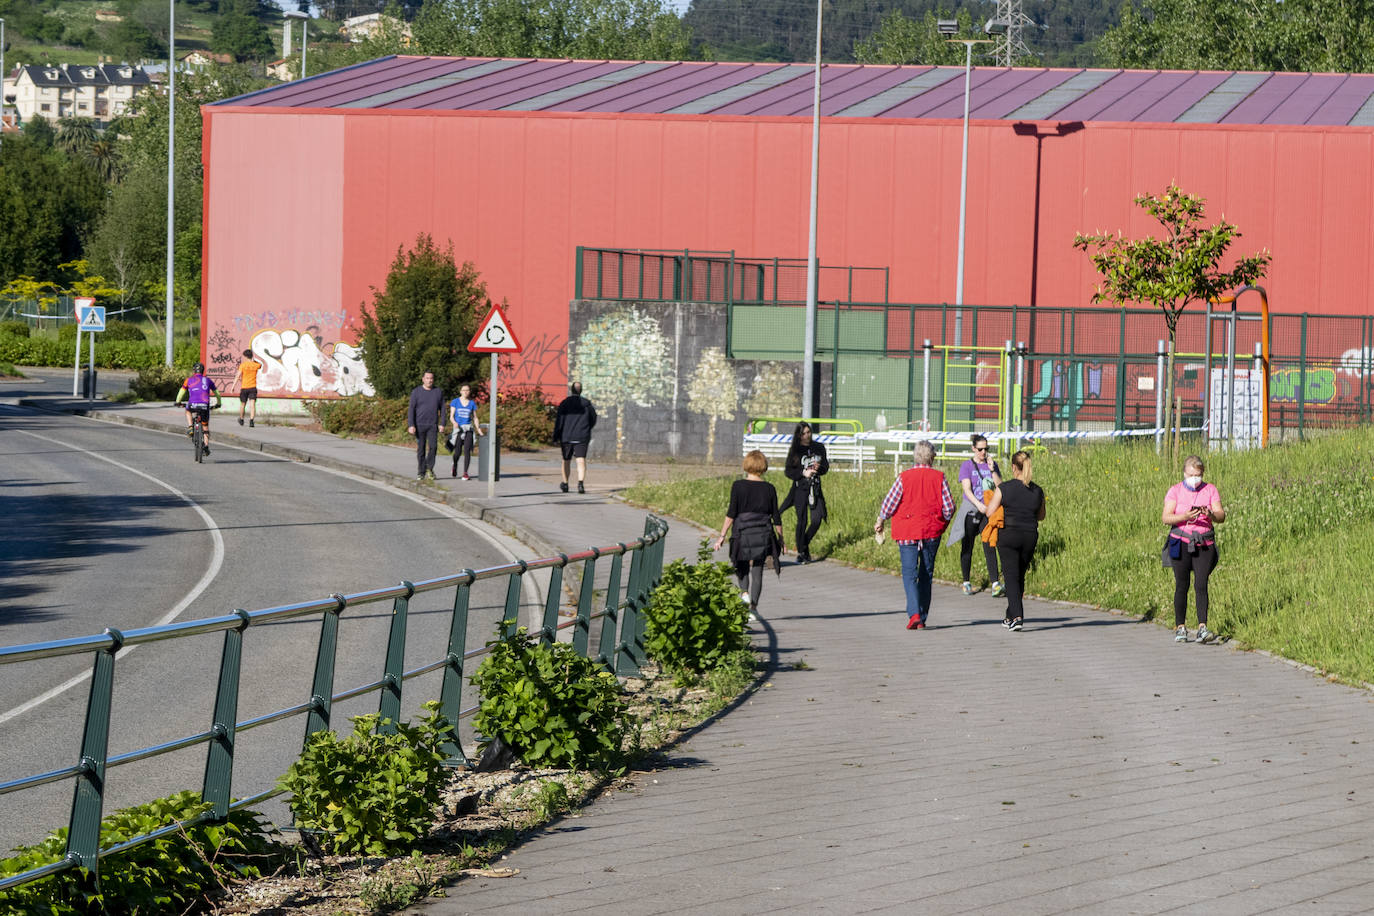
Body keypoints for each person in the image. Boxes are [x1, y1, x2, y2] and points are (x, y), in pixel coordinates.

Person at [874, 440, 955, 630]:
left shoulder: (904, 477)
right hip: (930, 531)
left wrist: (881, 520)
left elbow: (889, 503)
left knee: (909, 574)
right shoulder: (939, 477)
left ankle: (914, 614)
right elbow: (949, 507)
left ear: (915, 456)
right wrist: (941, 522)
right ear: (932, 457)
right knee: (926, 574)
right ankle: (922, 616)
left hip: (907, 531)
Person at [1162, 455, 1226, 644]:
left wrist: (1211, 514)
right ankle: (1180, 627)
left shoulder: (1210, 489)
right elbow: (1166, 517)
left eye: (1198, 475)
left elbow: (1221, 515)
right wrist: (1184, 515)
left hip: (1204, 543)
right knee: (1182, 584)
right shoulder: (1175, 491)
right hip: (1180, 542)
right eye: (1191, 475)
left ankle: (1202, 627)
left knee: (1201, 583)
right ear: (1184, 473)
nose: (1195, 479)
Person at [714, 450, 784, 614]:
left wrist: (722, 536)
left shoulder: (738, 486)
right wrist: (781, 538)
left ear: (746, 465)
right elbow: (776, 516)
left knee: (741, 564)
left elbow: (732, 513)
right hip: (762, 533)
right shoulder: (769, 488)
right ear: (763, 467)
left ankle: (744, 593)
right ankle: (753, 608)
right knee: (758, 570)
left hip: (742, 532)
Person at [984, 450, 1046, 632]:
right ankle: (1010, 615)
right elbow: (1041, 516)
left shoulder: (1004, 488)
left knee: (1011, 576)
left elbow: (989, 512)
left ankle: (1018, 617)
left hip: (1009, 535)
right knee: (1019, 574)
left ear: (1013, 467)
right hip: (1030, 536)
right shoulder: (1037, 490)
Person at [948, 434, 1003, 596]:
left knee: (990, 544)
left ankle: (995, 583)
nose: (983, 452)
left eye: (986, 449)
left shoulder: (992, 464)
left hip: (988, 510)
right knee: (968, 545)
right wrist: (978, 505)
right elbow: (967, 489)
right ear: (973, 448)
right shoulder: (967, 466)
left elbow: (1000, 486)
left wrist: (993, 470)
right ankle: (966, 581)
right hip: (972, 509)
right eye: (980, 449)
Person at [780, 422, 829, 563]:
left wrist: (819, 468)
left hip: (815, 488)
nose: (807, 436)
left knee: (817, 519)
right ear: (799, 435)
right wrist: (803, 473)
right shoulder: (795, 450)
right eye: (804, 433)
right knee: (802, 520)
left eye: (808, 432)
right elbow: (788, 471)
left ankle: (802, 545)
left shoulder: (818, 447)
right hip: (800, 488)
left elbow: (826, 467)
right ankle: (803, 552)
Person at [553, 381, 597, 494]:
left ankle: (565, 483)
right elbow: (593, 419)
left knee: (566, 460)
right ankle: (580, 483)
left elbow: (559, 421)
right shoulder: (587, 404)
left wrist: (556, 436)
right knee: (581, 459)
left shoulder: (564, 404)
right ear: (581, 390)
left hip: (566, 436)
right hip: (582, 436)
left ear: (571, 390)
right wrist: (586, 429)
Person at [175, 362, 222, 455]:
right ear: (202, 371)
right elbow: (217, 394)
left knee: (188, 410)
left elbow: (181, 392)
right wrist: (218, 403)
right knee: (205, 427)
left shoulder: (188, 380)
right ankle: (206, 446)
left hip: (192, 404)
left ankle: (190, 427)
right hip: (205, 405)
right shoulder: (208, 380)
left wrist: (178, 402)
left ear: (194, 371)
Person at [406, 370, 445, 481]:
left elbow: (442, 409)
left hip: (432, 425)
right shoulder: (416, 392)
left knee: (433, 447)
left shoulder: (438, 392)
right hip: (419, 425)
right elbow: (411, 409)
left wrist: (442, 423)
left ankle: (429, 468)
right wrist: (411, 425)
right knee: (421, 449)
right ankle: (421, 472)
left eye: (431, 378)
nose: (429, 380)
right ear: (423, 379)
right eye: (427, 378)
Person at [448, 384, 484, 480]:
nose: (466, 392)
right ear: (460, 391)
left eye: (467, 390)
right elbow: (451, 416)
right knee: (457, 452)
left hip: (468, 429)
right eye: (464, 390)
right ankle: (454, 465)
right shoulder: (455, 402)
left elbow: (475, 418)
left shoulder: (472, 403)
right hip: (459, 429)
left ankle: (465, 473)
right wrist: (454, 423)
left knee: (467, 450)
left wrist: (478, 429)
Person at [235, 348, 261, 427]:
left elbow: (238, 376)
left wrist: (233, 386)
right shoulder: (256, 365)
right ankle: (251, 421)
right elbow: (260, 365)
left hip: (244, 387)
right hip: (252, 387)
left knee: (243, 404)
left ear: (246, 357)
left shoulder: (243, 365)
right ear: (251, 356)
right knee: (252, 405)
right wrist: (254, 360)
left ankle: (242, 419)